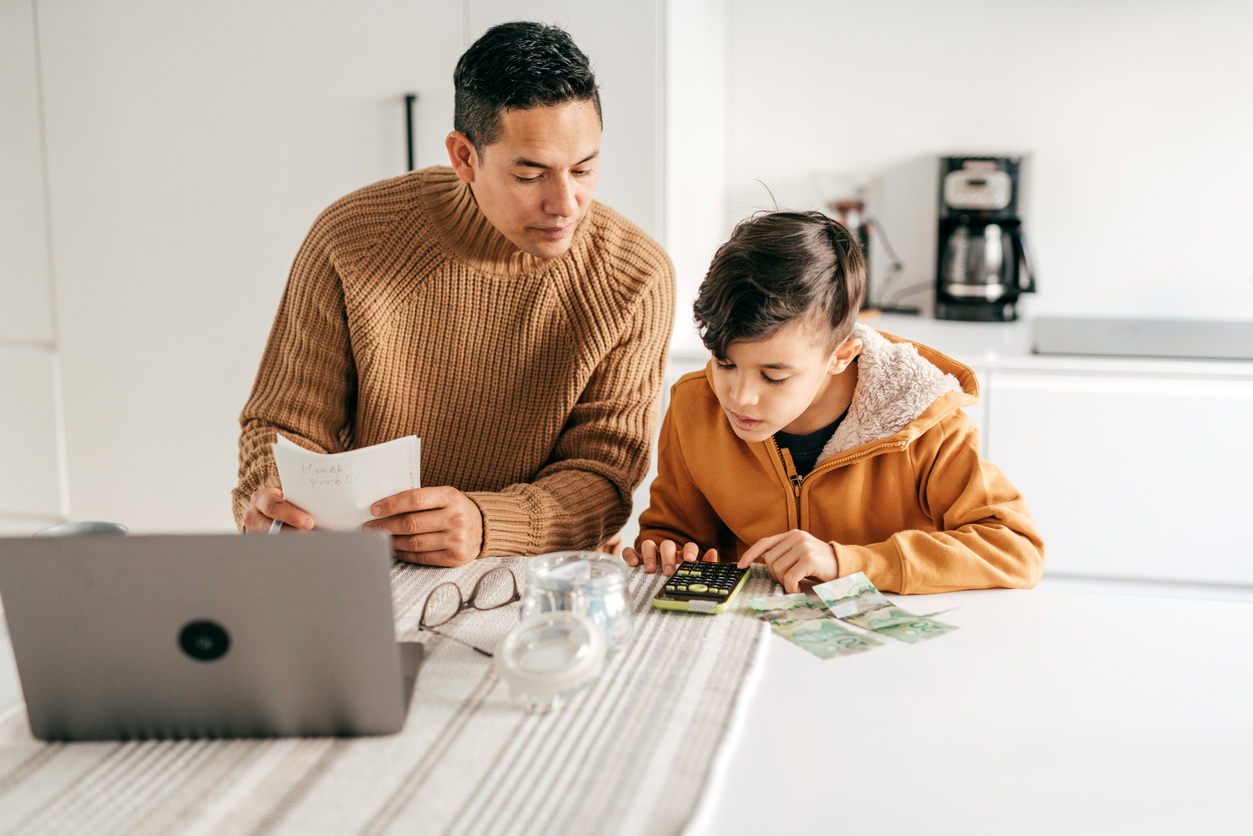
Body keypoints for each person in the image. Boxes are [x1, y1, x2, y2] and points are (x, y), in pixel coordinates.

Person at [233, 22, 674, 565]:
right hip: (364, 567)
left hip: (546, 580)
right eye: (531, 174)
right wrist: (274, 501)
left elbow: (603, 479)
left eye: (584, 168)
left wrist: (487, 525)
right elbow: (285, 425)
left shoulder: (636, 276)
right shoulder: (352, 237)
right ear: (464, 156)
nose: (566, 203)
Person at [624, 211, 1044, 594]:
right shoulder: (694, 404)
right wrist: (665, 550)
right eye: (725, 362)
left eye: (774, 376)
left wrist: (850, 563)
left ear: (841, 356)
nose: (739, 397)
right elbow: (674, 530)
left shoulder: (923, 421)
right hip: (754, 650)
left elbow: (1015, 549)